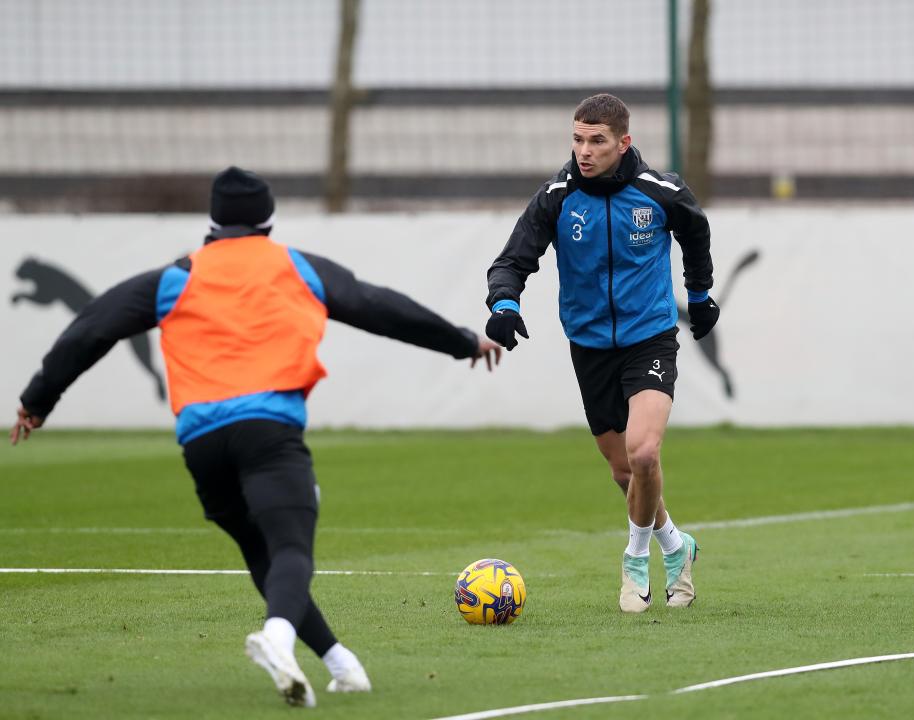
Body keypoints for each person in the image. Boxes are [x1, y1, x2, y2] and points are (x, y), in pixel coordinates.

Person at [10, 166, 502, 707]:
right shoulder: (296, 266)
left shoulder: (175, 276)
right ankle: (276, 637)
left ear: (214, 221)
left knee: (263, 552)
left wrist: (38, 400)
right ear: (268, 218)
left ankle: (342, 664)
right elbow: (378, 306)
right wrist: (461, 342)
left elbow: (90, 327)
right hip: (267, 432)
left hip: (201, 443)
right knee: (291, 544)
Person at [484, 94, 718, 613]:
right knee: (624, 473)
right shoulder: (558, 196)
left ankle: (635, 561)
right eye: (577, 139)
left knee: (644, 452)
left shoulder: (659, 191)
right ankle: (677, 546)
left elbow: (696, 232)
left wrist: (699, 295)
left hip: (649, 337)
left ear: (623, 143)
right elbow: (514, 257)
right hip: (589, 347)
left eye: (596, 141)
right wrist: (503, 303)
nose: (583, 151)